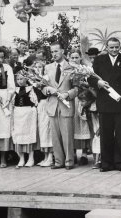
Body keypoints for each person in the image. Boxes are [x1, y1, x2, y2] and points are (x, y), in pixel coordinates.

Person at [89, 37, 121, 173]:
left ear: (119, 47)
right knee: (106, 134)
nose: (114, 50)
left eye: (116, 47)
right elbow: (90, 77)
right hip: (105, 102)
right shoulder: (99, 60)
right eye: (111, 47)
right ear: (106, 47)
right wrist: (98, 83)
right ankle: (106, 163)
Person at [43, 42, 78, 170]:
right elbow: (43, 86)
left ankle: (69, 161)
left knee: (67, 135)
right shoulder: (47, 68)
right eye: (52, 52)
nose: (54, 54)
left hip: (66, 105)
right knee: (55, 136)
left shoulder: (72, 67)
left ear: (63, 51)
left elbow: (77, 88)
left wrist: (67, 94)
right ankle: (58, 161)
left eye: (56, 51)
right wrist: (47, 90)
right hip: (52, 105)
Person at [12, 71, 38, 168]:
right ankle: (21, 158)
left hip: (28, 114)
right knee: (18, 135)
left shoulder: (30, 89)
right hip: (18, 113)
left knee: (29, 135)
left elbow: (35, 102)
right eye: (18, 79)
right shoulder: (15, 90)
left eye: (21, 79)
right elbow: (12, 102)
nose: (19, 81)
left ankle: (31, 158)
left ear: (26, 79)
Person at [33, 61, 53, 167]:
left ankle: (50, 156)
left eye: (40, 67)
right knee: (42, 131)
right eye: (36, 67)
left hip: (47, 104)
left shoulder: (46, 78)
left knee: (47, 129)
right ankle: (45, 156)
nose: (38, 68)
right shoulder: (34, 79)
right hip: (40, 105)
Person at [77, 89, 100, 169]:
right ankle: (95, 159)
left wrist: (99, 129)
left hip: (97, 126)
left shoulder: (95, 107)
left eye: (83, 101)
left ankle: (99, 160)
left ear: (89, 100)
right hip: (92, 127)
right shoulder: (86, 108)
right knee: (93, 141)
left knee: (98, 141)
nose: (81, 103)